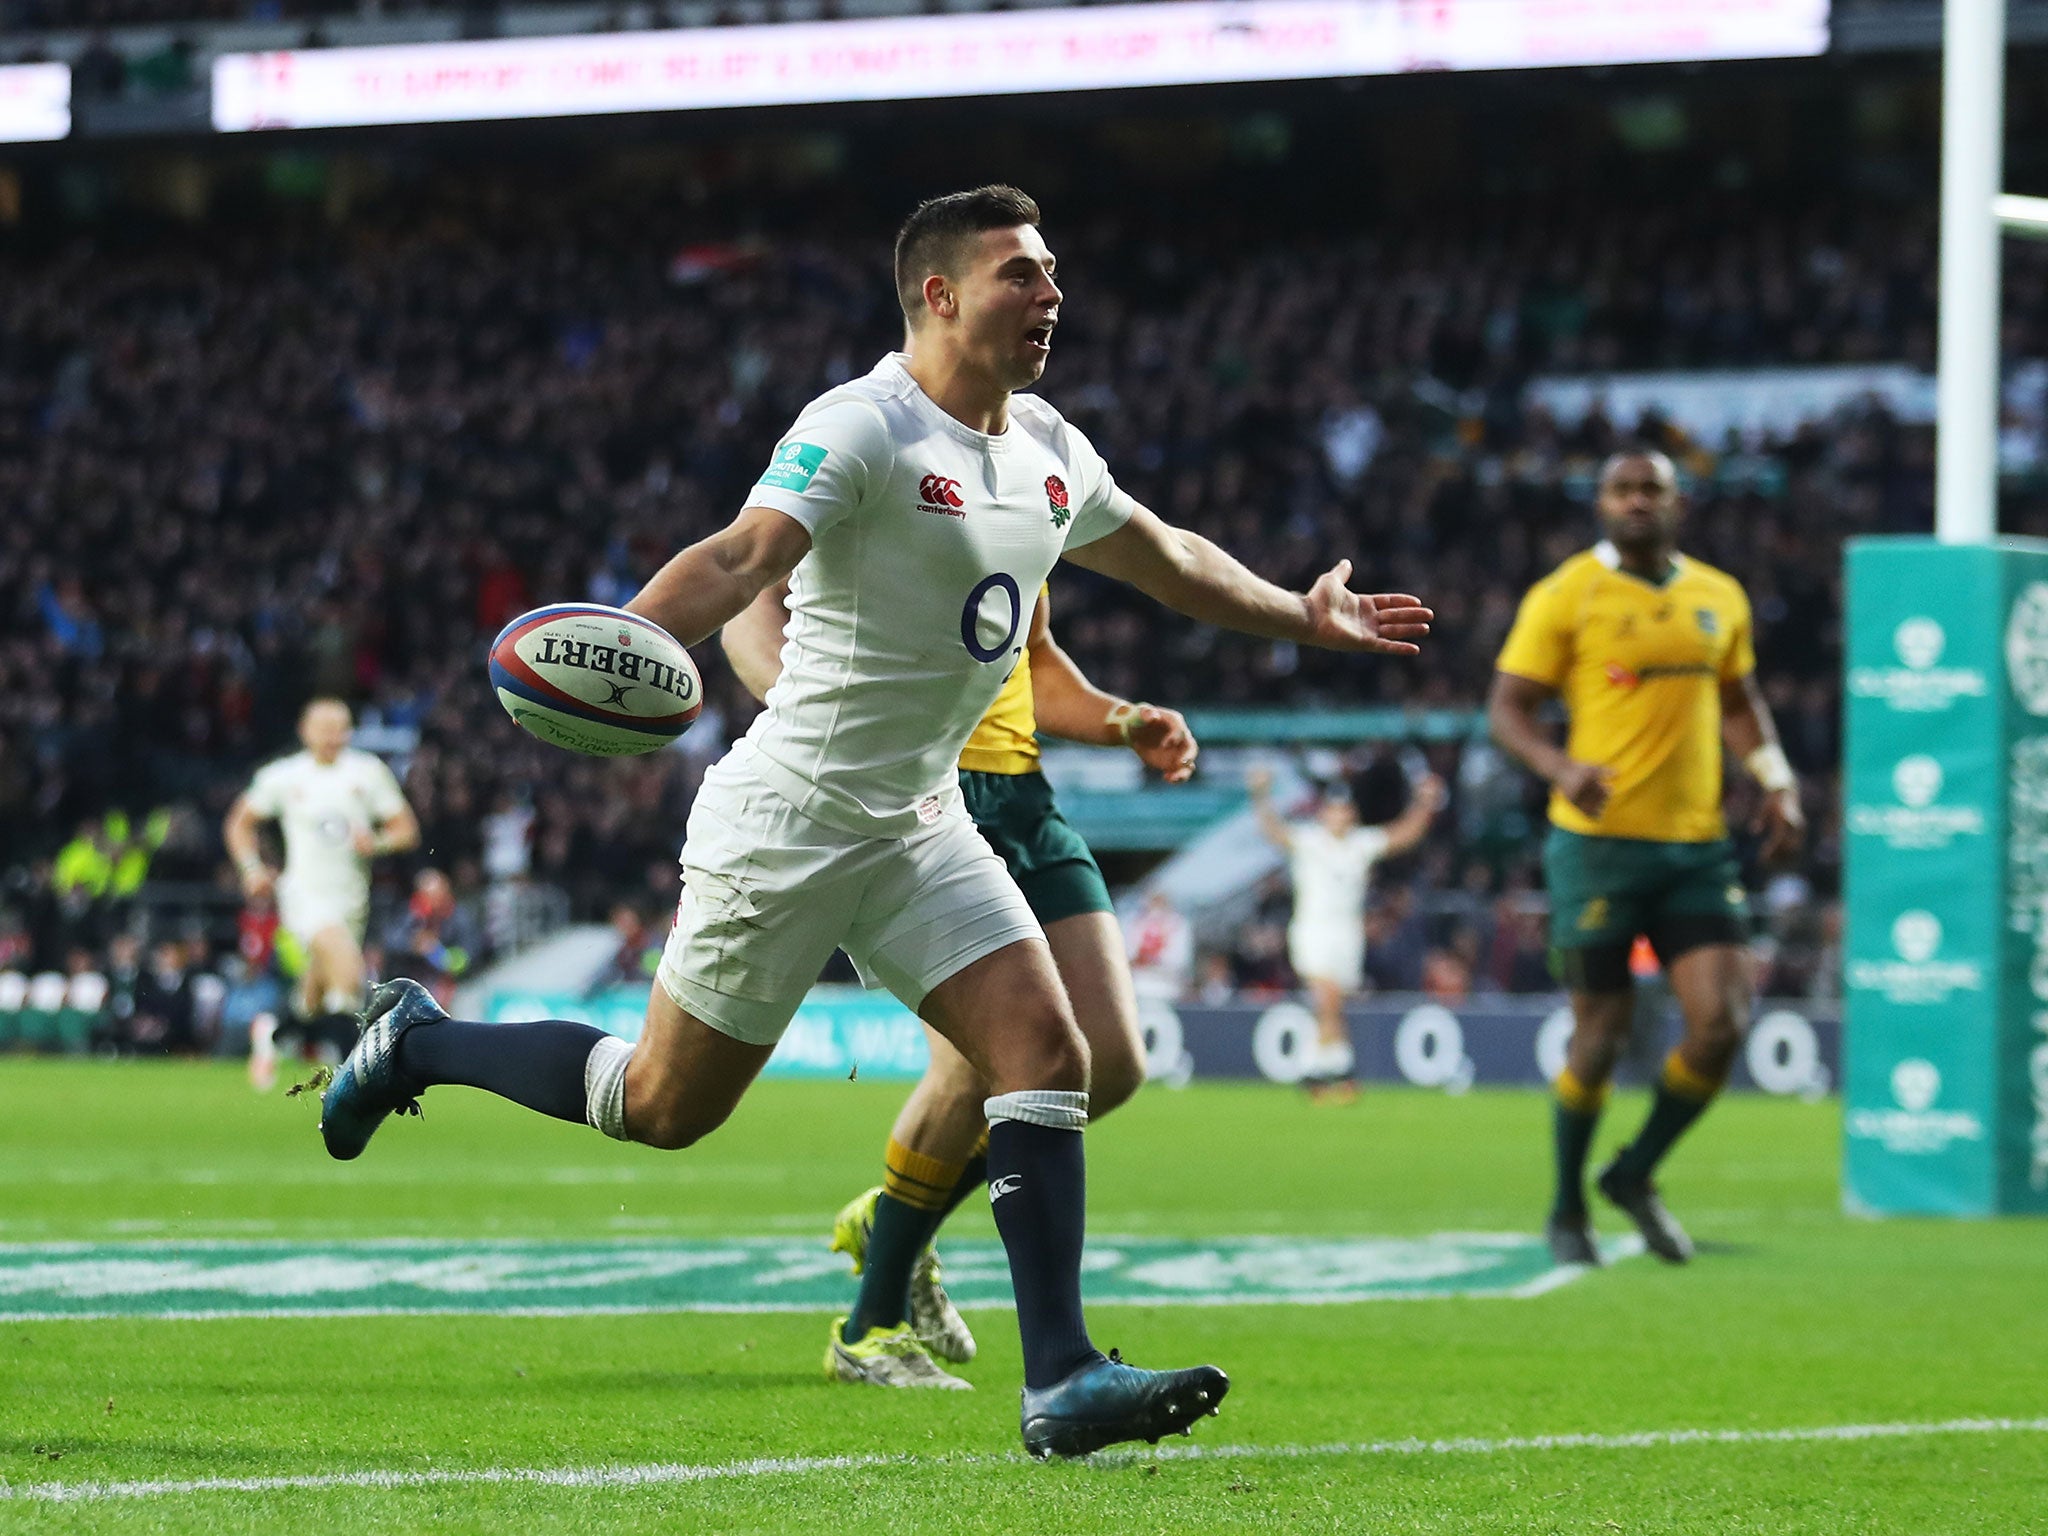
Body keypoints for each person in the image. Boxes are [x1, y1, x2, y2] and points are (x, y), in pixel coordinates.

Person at [317, 184, 1430, 1458]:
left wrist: (1301, 612)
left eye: (1053, 272)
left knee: (1046, 1054)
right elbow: (741, 560)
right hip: (789, 815)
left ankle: (1058, 1377)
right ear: (938, 294)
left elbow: (1167, 556)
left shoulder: (1050, 448)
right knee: (661, 1106)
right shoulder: (861, 425)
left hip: (917, 819)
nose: (1051, 293)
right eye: (1021, 273)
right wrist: (624, 643)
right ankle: (416, 1041)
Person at [722, 577, 1198, 1388]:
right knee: (970, 1069)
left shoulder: (1030, 479)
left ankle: (897, 1218)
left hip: (1023, 799)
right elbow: (746, 603)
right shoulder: (876, 456)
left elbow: (1037, 660)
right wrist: (801, 702)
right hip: (923, 790)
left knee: (1109, 1064)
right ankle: (869, 1329)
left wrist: (1124, 721)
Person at [1487, 448, 1803, 1268]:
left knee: (1724, 1023)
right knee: (1602, 1032)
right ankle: (1565, 1206)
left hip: (1696, 849)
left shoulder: (1717, 596)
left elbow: (1738, 699)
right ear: (1600, 502)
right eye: (1622, 490)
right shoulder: (1566, 594)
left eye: (1650, 490)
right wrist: (1560, 768)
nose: (1636, 502)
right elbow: (1508, 707)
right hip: (1597, 850)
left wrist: (1774, 777)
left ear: (1677, 503)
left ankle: (1633, 1173)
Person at [223, 698, 421, 1061]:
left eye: (339, 728)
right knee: (348, 977)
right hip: (303, 893)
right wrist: (251, 869)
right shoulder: (284, 776)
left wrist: (377, 842)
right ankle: (354, 1069)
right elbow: (239, 822)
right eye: (323, 728)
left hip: (352, 896)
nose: (332, 736)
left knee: (316, 996)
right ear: (305, 731)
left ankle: (278, 1030)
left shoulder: (367, 772)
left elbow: (406, 830)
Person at [1246, 765, 1442, 1098]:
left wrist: (1424, 804)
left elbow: (1404, 835)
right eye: (1333, 809)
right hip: (1313, 930)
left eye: (1344, 809)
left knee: (1331, 1004)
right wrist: (1261, 795)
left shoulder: (1360, 844)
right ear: (1324, 813)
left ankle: (1317, 1071)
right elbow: (1273, 831)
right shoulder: (1309, 841)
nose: (1338, 815)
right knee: (1327, 995)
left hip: (1347, 933)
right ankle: (1338, 1068)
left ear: (1351, 813)